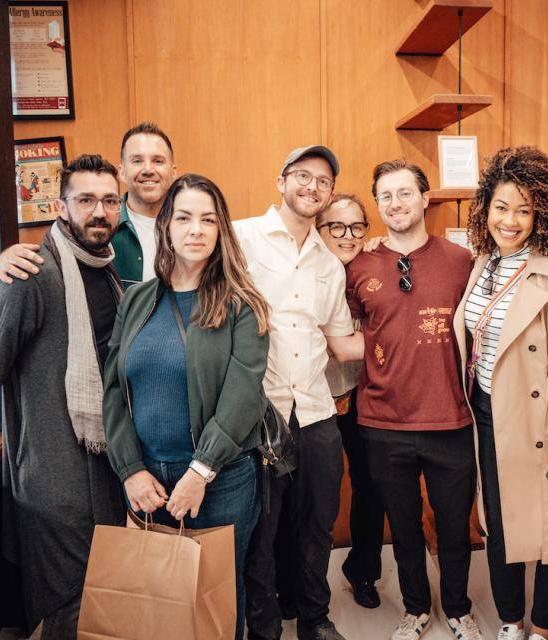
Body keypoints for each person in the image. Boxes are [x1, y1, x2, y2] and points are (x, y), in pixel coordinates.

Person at [0, 154, 127, 638]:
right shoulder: (34, 275)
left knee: (100, 601)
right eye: (85, 200)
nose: (98, 211)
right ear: (61, 208)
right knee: (67, 610)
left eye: (108, 200)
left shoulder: (107, 274)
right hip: (54, 479)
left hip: (104, 472)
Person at [102, 173, 271, 640]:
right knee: (155, 602)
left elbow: (243, 396)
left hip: (221, 479)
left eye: (208, 219)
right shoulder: (136, 299)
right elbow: (114, 389)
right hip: (147, 480)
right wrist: (129, 469)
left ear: (221, 232)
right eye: (184, 217)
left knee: (213, 604)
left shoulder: (242, 304)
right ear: (166, 227)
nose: (195, 229)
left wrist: (201, 472)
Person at [453, 146, 548, 640]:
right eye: (501, 207)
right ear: (485, 209)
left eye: (524, 209)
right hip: (488, 414)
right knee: (500, 524)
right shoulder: (482, 264)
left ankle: (544, 627)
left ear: (543, 215)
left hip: (543, 422)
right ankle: (511, 620)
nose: (510, 221)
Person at [340, 159, 481, 640]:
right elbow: (353, 330)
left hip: (451, 419)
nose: (395, 204)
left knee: (454, 528)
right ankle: (417, 608)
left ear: (425, 198)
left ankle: (458, 610)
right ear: (377, 204)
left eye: (404, 193)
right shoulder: (359, 265)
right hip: (382, 421)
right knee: (401, 529)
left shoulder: (462, 262)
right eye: (385, 196)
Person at [236, 145, 356, 640]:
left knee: (316, 526)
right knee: (262, 531)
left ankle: (315, 617)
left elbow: (341, 339)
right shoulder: (241, 237)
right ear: (280, 180)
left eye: (323, 181)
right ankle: (265, 626)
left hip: (315, 412)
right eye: (302, 176)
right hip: (257, 412)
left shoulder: (329, 263)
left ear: (328, 194)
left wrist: (416, 332)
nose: (312, 187)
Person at [0, 121, 178, 288]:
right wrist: (4, 261)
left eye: (158, 161)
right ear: (122, 172)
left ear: (173, 172)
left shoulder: (191, 228)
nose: (147, 169)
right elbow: (49, 259)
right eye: (137, 161)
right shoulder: (99, 225)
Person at [316, 193, 387, 609]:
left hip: (365, 394)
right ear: (319, 228)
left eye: (357, 226)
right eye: (336, 227)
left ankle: (363, 572)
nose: (348, 236)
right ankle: (300, 585)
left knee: (371, 487)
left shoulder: (375, 266)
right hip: (316, 397)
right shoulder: (305, 268)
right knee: (316, 496)